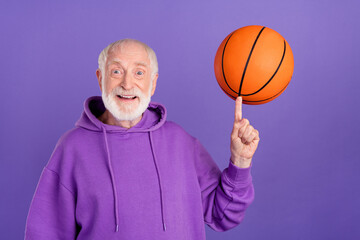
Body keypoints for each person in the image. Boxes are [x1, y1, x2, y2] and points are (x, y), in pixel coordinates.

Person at [25, 39, 260, 240]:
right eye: (116, 71)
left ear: (153, 82)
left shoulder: (181, 142)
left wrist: (240, 161)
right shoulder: (72, 148)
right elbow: (45, 232)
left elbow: (224, 216)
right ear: (100, 79)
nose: (127, 84)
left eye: (139, 72)